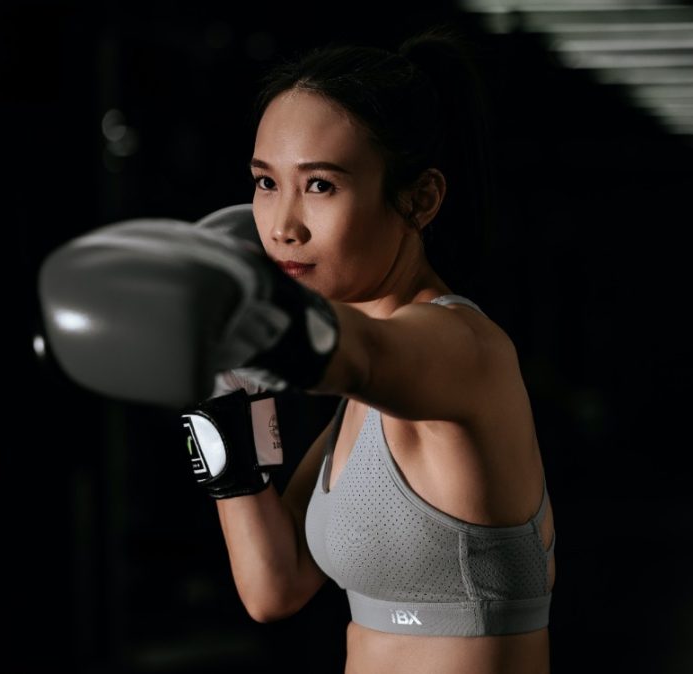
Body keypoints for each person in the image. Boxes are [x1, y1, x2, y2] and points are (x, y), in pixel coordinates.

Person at [36, 25, 555, 674]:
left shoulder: (462, 350)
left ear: (420, 198)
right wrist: (220, 397)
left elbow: (360, 353)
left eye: (320, 186)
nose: (282, 226)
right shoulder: (360, 409)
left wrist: (239, 322)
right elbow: (273, 586)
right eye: (265, 183)